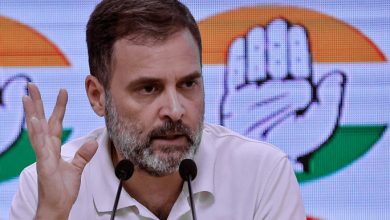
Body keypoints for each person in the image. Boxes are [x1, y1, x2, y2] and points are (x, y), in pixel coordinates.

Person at [10, 0, 306, 219]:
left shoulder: (261, 173)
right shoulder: (45, 187)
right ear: (98, 96)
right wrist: (53, 214)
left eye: (188, 84)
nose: (175, 111)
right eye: (149, 88)